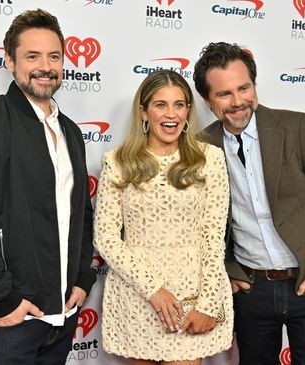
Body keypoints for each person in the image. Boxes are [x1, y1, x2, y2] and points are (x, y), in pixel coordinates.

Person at [0, 9, 96, 365]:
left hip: (62, 318)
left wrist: (83, 277)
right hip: (11, 322)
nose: (45, 66)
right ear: (10, 62)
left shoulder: (70, 131)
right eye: (32, 56)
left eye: (53, 56)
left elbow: (81, 215)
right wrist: (3, 299)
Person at [194, 42, 305, 365]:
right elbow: (199, 222)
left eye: (244, 88)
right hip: (252, 291)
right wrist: (229, 269)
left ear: (254, 85)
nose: (238, 101)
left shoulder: (297, 127)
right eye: (224, 94)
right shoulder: (202, 146)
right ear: (209, 101)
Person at [94, 70, 233, 365]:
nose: (171, 114)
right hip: (138, 298)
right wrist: (153, 289)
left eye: (179, 104)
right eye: (160, 105)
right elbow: (105, 238)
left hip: (190, 297)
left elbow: (213, 237)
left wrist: (208, 302)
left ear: (188, 111)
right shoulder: (117, 162)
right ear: (143, 111)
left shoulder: (209, 159)